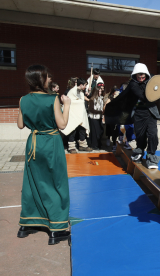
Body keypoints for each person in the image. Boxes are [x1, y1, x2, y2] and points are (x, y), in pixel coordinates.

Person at [17, 65, 71, 245]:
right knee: (56, 182)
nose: (49, 79)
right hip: (51, 142)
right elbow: (62, 124)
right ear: (40, 79)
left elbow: (19, 124)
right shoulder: (52, 99)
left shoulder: (23, 99)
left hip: (33, 143)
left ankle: (27, 224)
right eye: (47, 77)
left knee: (32, 182)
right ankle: (57, 228)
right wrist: (67, 106)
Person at [106, 63, 160, 169]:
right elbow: (143, 96)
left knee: (153, 134)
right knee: (140, 135)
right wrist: (154, 91)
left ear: (146, 74)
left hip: (151, 113)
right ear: (135, 75)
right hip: (138, 113)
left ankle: (151, 156)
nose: (141, 78)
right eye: (138, 76)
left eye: (143, 76)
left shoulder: (151, 79)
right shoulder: (133, 84)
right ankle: (139, 150)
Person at [61, 78, 92, 153]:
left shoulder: (81, 91)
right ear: (81, 85)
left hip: (80, 115)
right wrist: (80, 102)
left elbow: (81, 101)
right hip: (73, 114)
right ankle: (71, 147)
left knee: (82, 129)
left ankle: (82, 145)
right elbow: (71, 101)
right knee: (72, 130)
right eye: (84, 85)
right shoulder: (72, 91)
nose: (85, 87)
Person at [88, 83, 105, 150]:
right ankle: (94, 145)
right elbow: (91, 109)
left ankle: (98, 144)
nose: (100, 92)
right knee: (95, 133)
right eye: (99, 91)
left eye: (101, 91)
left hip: (99, 117)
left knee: (100, 131)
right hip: (93, 118)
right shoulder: (92, 99)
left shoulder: (100, 99)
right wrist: (100, 112)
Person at [104, 85, 120, 151]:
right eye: (115, 92)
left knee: (116, 131)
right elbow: (105, 107)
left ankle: (115, 143)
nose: (116, 93)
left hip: (117, 117)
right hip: (111, 117)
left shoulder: (119, 99)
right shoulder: (110, 98)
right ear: (113, 92)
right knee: (111, 130)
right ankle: (111, 141)